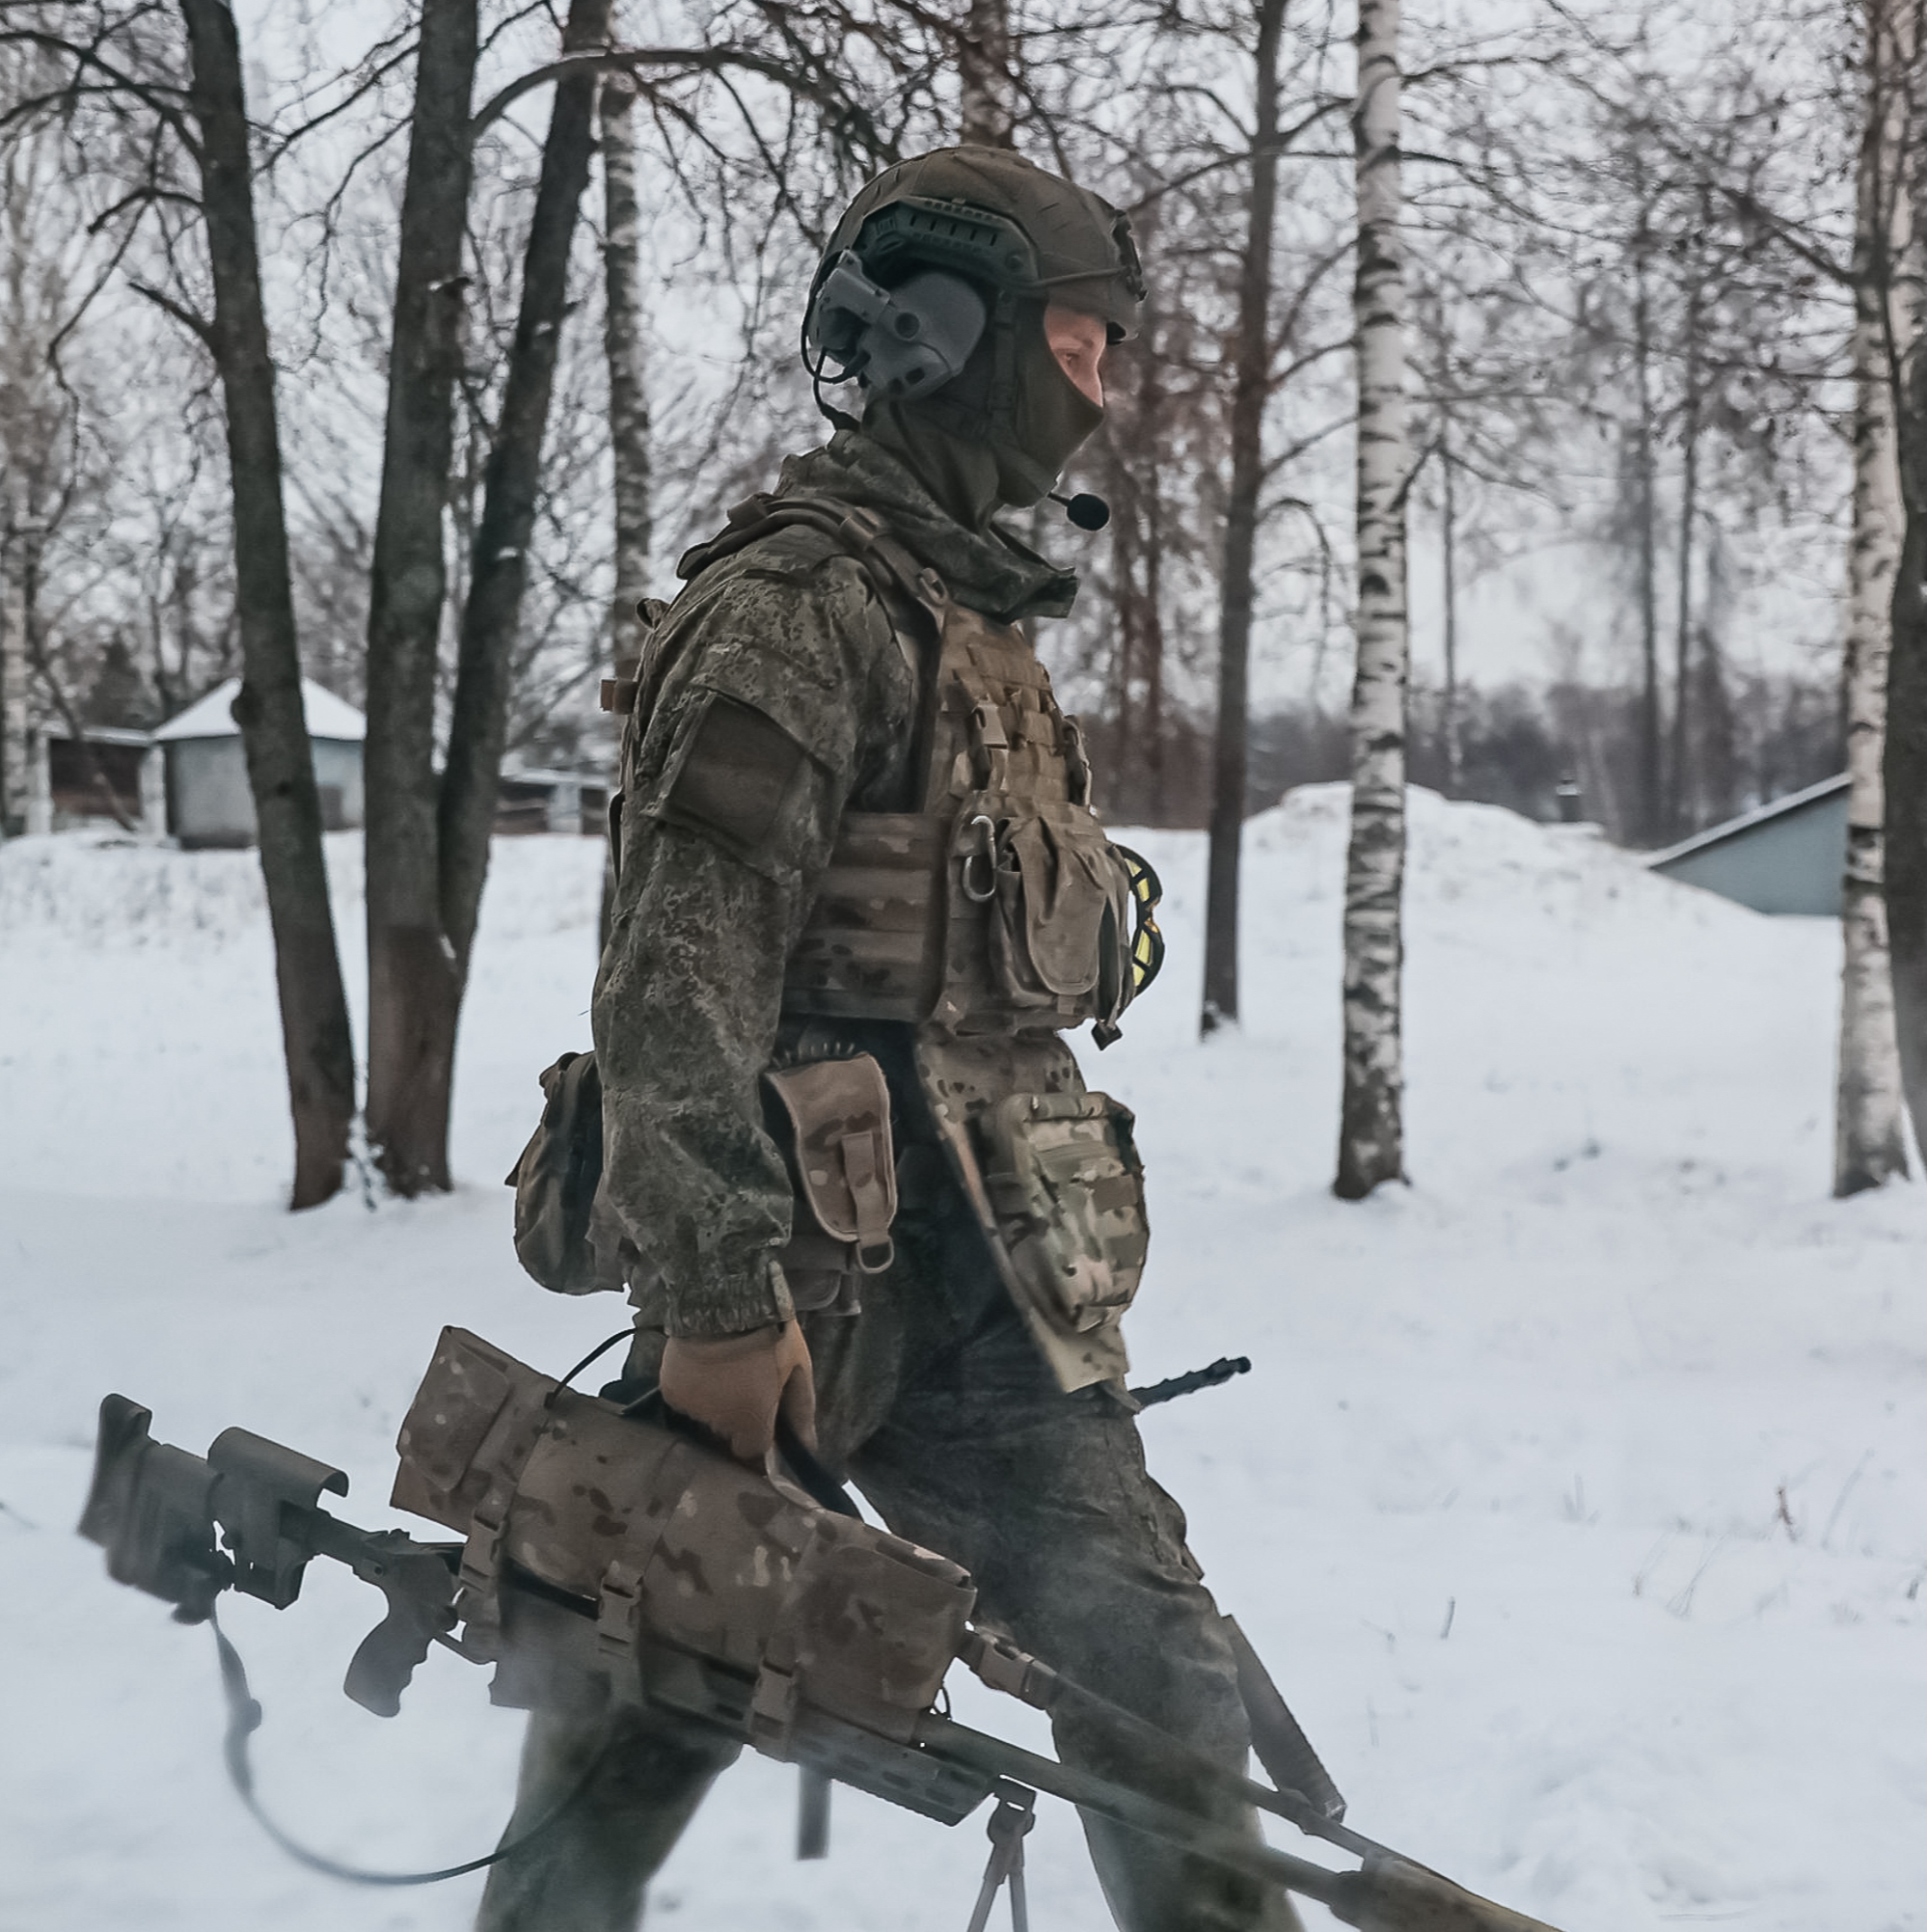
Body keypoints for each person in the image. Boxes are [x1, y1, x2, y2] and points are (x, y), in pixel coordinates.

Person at [476, 146, 1299, 1932]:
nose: (1104, 388)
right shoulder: (797, 606)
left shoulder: (976, 628)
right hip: (802, 1285)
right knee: (656, 1682)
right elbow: (671, 977)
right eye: (1082, 345)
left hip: (995, 1296)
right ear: (950, 340)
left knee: (1156, 1681)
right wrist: (710, 1299)